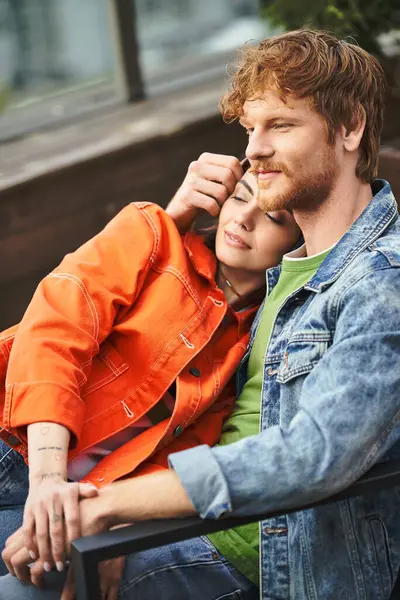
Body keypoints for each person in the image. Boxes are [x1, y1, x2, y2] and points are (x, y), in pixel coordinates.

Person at [2, 27, 400, 600]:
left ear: (350, 128)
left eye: (280, 125)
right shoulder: (279, 282)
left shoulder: (379, 279)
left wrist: (115, 512)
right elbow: (129, 351)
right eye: (250, 130)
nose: (254, 149)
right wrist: (169, 229)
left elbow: (313, 453)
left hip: (269, 554)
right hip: (145, 507)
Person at [0, 166, 300, 587]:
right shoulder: (153, 234)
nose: (243, 218)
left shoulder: (253, 345)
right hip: (17, 441)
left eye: (271, 217)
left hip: (79, 493)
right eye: (239, 196)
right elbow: (56, 333)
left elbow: (186, 446)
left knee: (24, 575)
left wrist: (119, 525)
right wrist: (47, 482)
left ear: (299, 243)